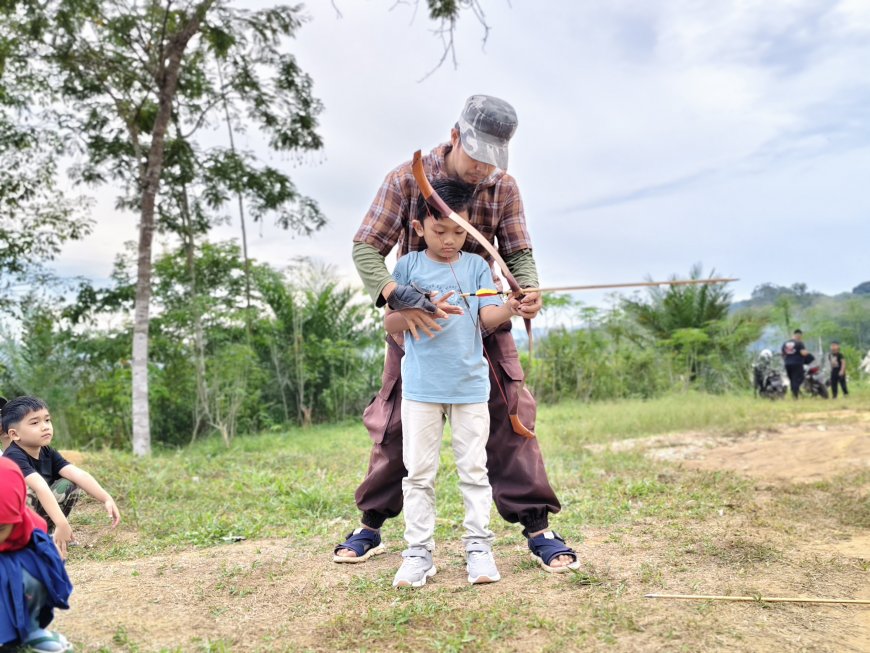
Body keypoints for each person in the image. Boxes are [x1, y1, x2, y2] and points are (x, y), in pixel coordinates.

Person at [336, 94, 580, 573]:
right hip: (417, 325)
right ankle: (371, 524)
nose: (483, 168)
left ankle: (537, 528)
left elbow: (517, 250)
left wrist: (526, 290)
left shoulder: (502, 186)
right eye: (476, 156)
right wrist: (394, 293)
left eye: (493, 158)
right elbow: (366, 247)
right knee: (395, 425)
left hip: (483, 314)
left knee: (512, 415)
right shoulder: (405, 178)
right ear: (454, 138)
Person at [385, 179, 520, 587]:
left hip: (468, 385)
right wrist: (420, 309)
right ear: (419, 226)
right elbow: (390, 324)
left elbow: (487, 318)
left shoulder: (478, 267)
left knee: (474, 471)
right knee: (419, 473)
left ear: (469, 227)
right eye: (439, 230)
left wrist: (509, 305)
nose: (449, 239)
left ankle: (478, 548)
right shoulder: (407, 267)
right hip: (422, 388)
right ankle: (418, 553)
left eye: (459, 231)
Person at [1, 396, 121, 558]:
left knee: (68, 483)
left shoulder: (47, 451)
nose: (45, 427)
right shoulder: (13, 456)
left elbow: (76, 473)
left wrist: (106, 497)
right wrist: (62, 523)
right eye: (35, 423)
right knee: (27, 492)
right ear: (14, 434)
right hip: (10, 520)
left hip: (32, 511)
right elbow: (39, 486)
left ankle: (49, 532)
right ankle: (26, 539)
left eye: (47, 420)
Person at [0, 458, 74, 652]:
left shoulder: (29, 530)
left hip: (16, 558)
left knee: (34, 571)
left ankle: (29, 629)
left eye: (0, 528)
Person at [781, 329, 807, 399]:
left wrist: (787, 360)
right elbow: (803, 353)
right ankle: (795, 395)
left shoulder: (785, 343)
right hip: (797, 363)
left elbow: (783, 354)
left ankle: (794, 393)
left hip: (788, 364)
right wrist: (806, 353)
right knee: (799, 378)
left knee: (792, 379)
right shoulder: (799, 343)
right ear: (799, 335)